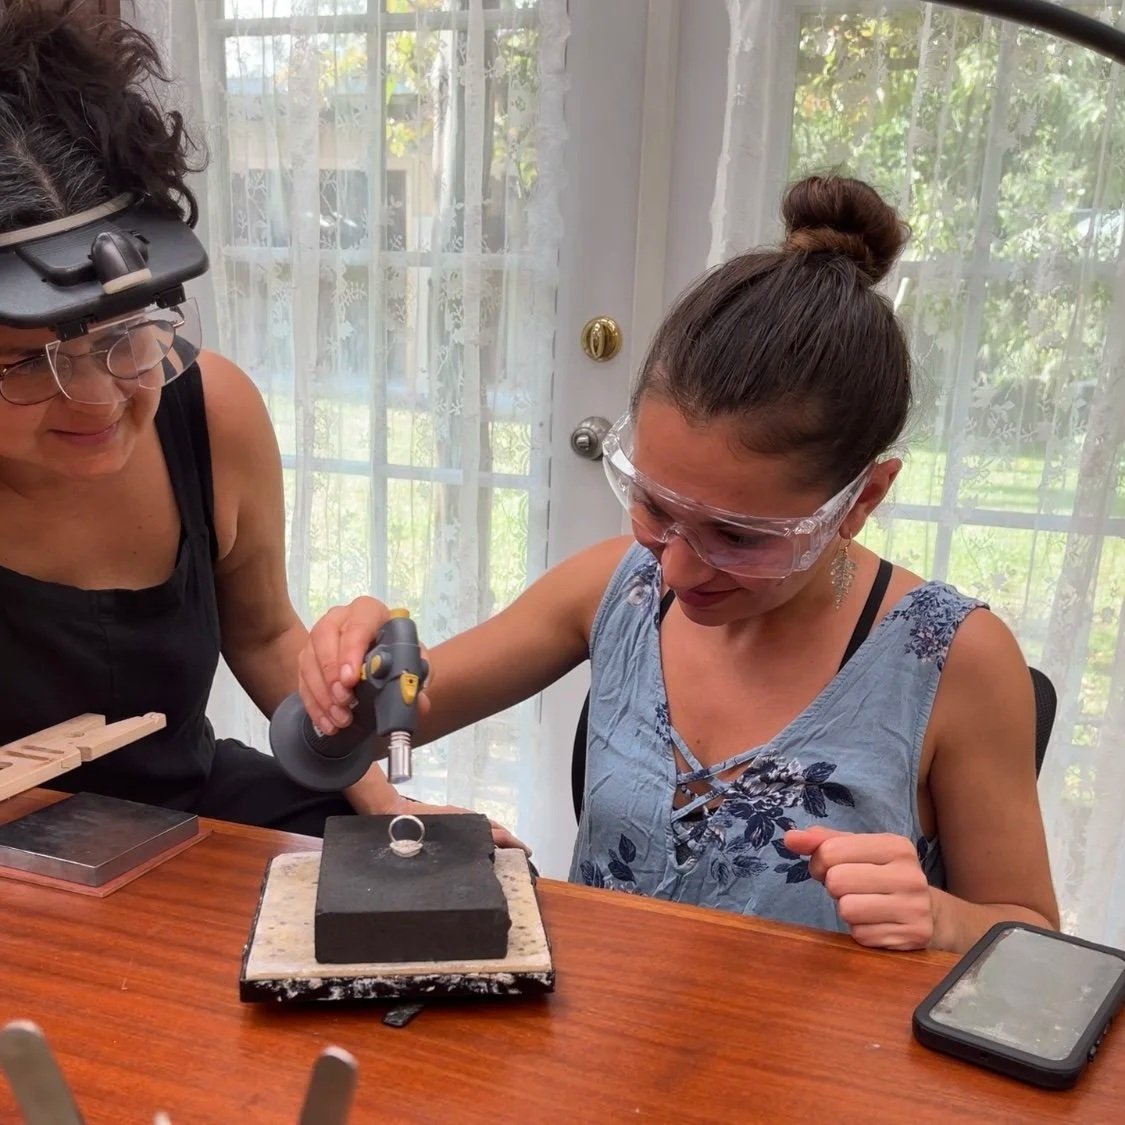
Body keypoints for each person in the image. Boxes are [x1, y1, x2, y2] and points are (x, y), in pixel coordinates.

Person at [300, 173, 1060, 952]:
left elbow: (1032, 936)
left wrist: (941, 918)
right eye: (656, 508)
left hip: (818, 1067)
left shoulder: (953, 660)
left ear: (861, 498)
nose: (679, 571)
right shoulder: (614, 587)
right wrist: (347, 675)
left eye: (739, 536)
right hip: (602, 1042)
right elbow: (354, 735)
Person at [0, 0, 517, 843]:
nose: (98, 398)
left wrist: (391, 803)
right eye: (24, 361)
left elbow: (266, 631)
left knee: (445, 879)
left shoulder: (209, 410)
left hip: (180, 810)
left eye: (127, 337)